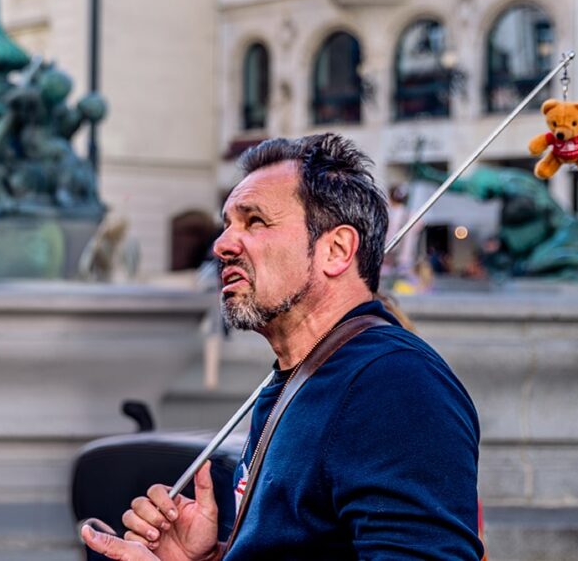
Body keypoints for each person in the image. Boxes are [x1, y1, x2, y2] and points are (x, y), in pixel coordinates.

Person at [81, 134, 483, 560]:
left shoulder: (392, 384)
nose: (222, 245)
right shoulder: (299, 377)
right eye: (227, 224)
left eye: (254, 221)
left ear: (336, 249)